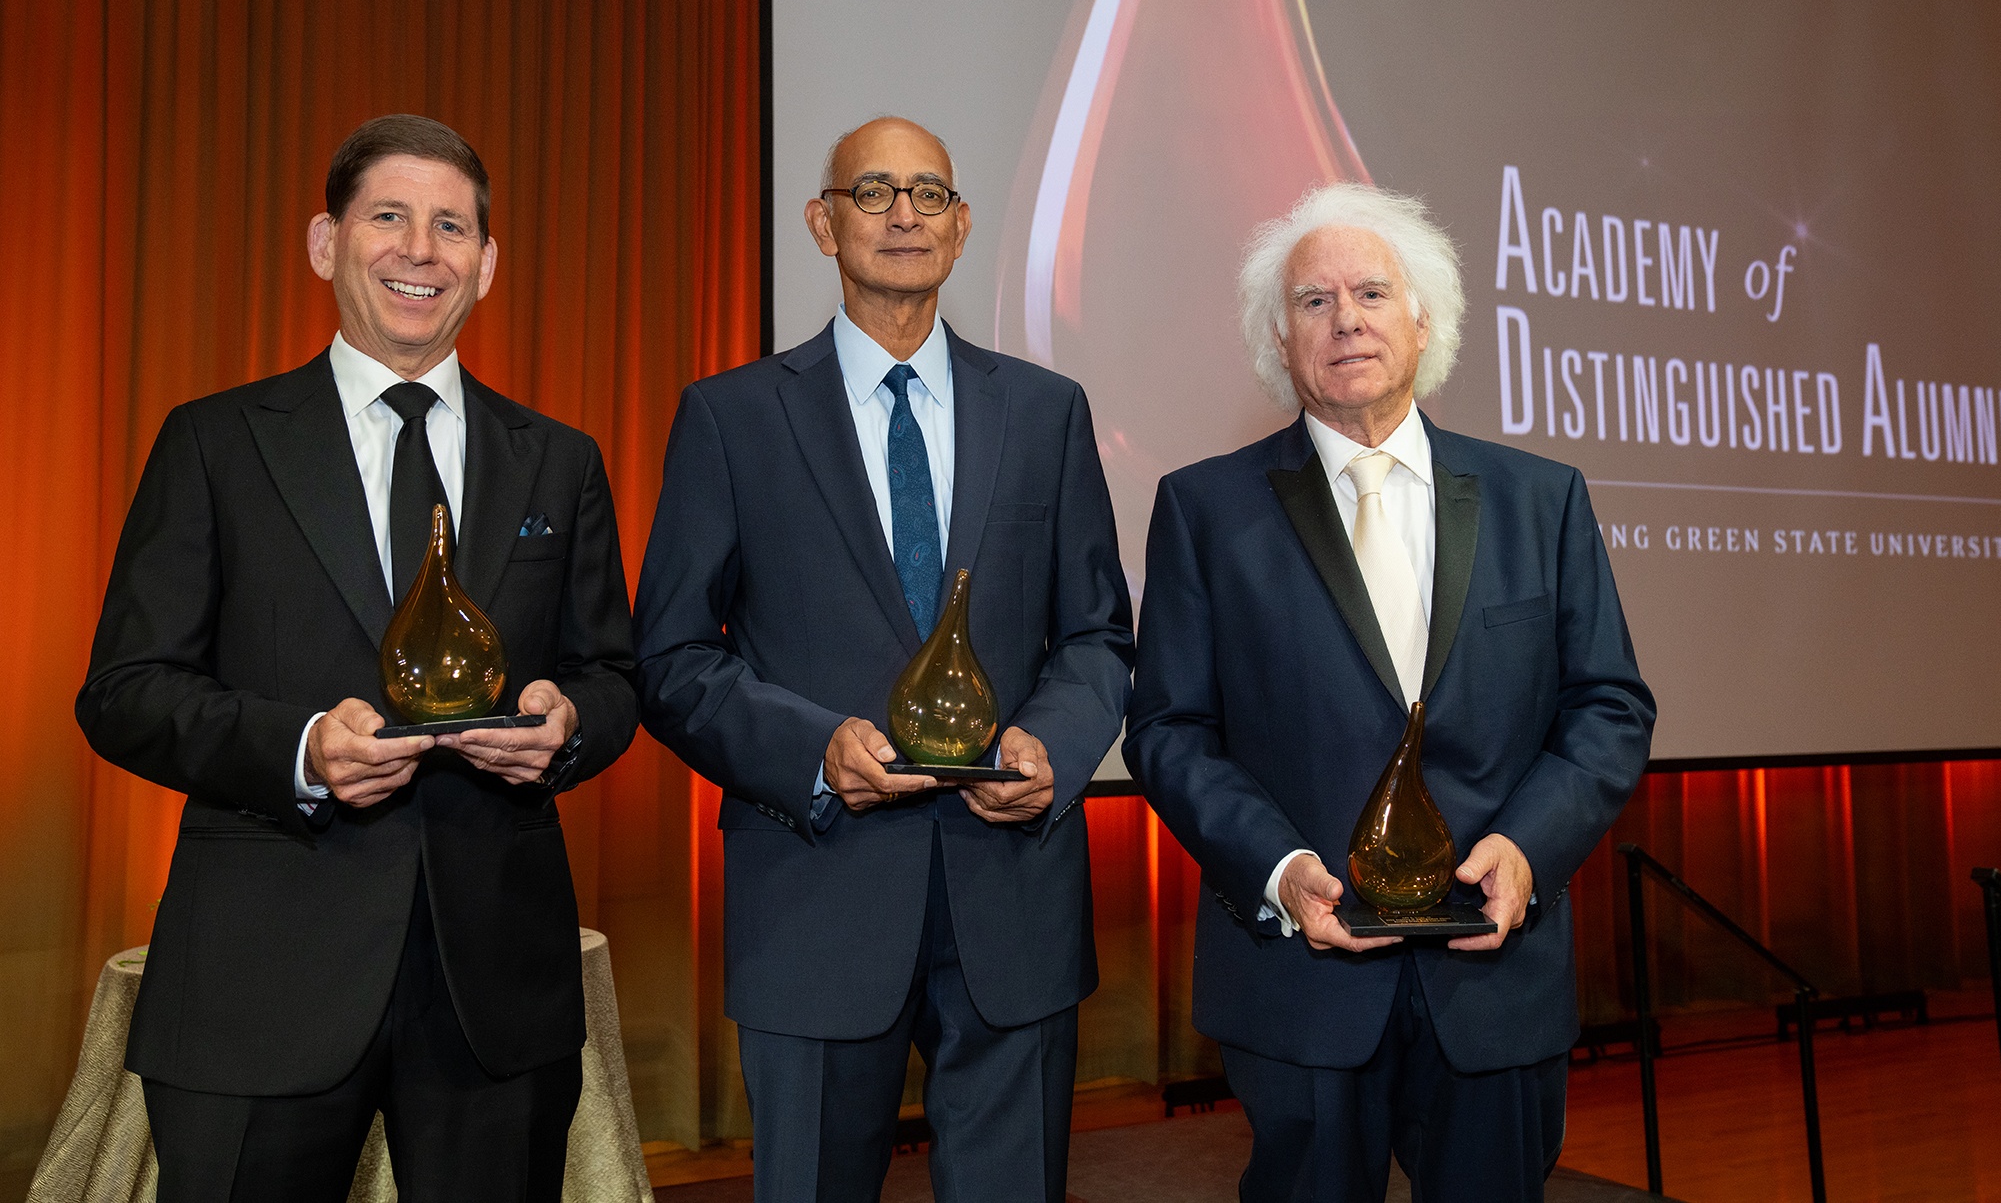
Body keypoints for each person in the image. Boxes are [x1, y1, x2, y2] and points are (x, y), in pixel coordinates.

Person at [76, 114, 640, 1202]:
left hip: (495, 993)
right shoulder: (217, 441)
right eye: (388, 216)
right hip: (260, 981)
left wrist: (567, 726)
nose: (420, 250)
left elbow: (612, 673)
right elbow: (125, 691)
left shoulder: (560, 460)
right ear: (325, 242)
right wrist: (297, 748)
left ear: (487, 261)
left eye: (450, 226)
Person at [634, 116, 1134, 1203]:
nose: (902, 213)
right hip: (814, 898)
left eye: (927, 193)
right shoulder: (731, 417)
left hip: (1013, 898)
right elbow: (669, 657)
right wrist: (816, 749)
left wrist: (1051, 744)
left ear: (960, 231)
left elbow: (1096, 631)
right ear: (822, 222)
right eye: (872, 191)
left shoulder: (1046, 413)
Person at [1123, 182, 1654, 1202]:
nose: (1346, 318)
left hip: (1493, 971)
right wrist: (1277, 868)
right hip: (1300, 981)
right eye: (1313, 302)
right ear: (1279, 340)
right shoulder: (1203, 508)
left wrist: (1528, 847)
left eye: (1371, 291)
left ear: (1425, 321)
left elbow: (1608, 706)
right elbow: (1169, 729)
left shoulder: (1540, 498)